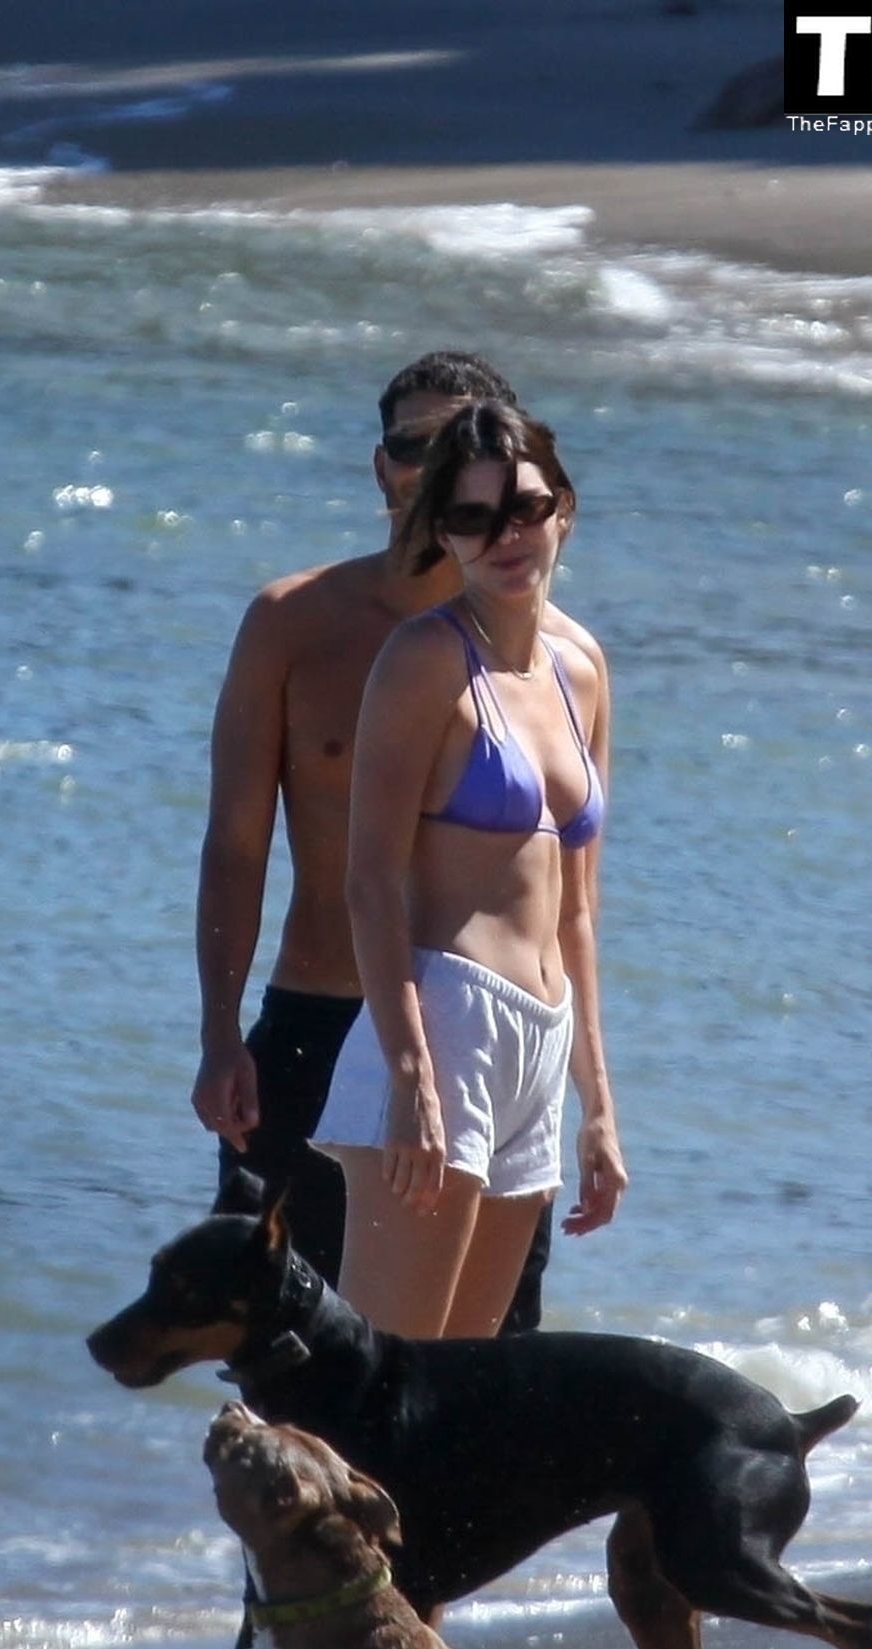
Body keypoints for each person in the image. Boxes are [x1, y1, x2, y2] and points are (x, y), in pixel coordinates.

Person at [192, 353, 588, 1331]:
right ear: (383, 469)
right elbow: (236, 844)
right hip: (317, 1026)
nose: (436, 464)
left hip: (482, 1039)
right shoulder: (294, 622)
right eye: (415, 446)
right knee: (277, 1355)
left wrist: (588, 1093)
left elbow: (567, 898)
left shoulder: (553, 658)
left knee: (474, 1368)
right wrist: (218, 1032)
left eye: (460, 442)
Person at [312, 401, 627, 1339]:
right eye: (473, 518)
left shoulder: (581, 665)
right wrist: (410, 1074)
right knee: (384, 1385)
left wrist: (598, 1103)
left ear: (563, 508)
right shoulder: (423, 661)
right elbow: (369, 880)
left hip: (540, 1037)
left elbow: (578, 911)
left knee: (464, 1395)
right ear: (442, 533)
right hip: (446, 1024)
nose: (505, 538)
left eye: (524, 508)